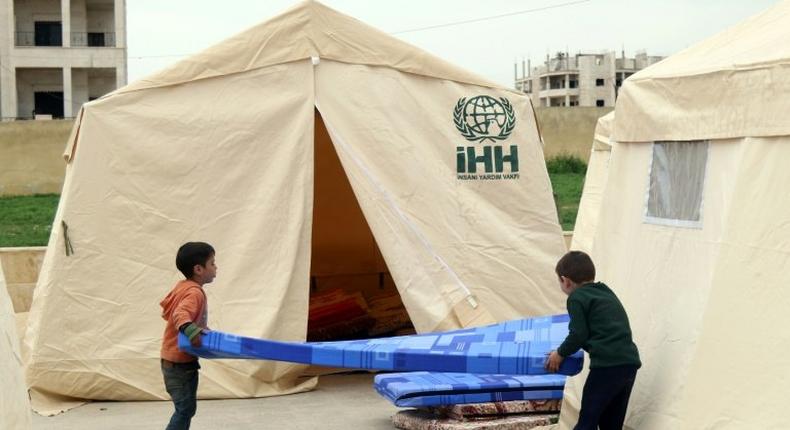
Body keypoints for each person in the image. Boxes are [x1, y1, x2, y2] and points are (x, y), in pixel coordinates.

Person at [545, 250, 641, 430]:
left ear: (565, 281)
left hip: (607, 366)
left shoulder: (577, 298)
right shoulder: (605, 291)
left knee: (588, 419)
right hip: (629, 363)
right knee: (611, 422)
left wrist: (560, 353)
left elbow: (578, 334)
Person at [160, 242, 217, 430]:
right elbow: (180, 316)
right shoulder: (194, 292)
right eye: (212, 263)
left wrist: (202, 329)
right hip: (179, 364)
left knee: (185, 408)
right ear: (199, 269)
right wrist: (193, 333)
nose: (216, 267)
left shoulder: (183, 286)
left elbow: (176, 313)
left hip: (174, 361)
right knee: (185, 409)